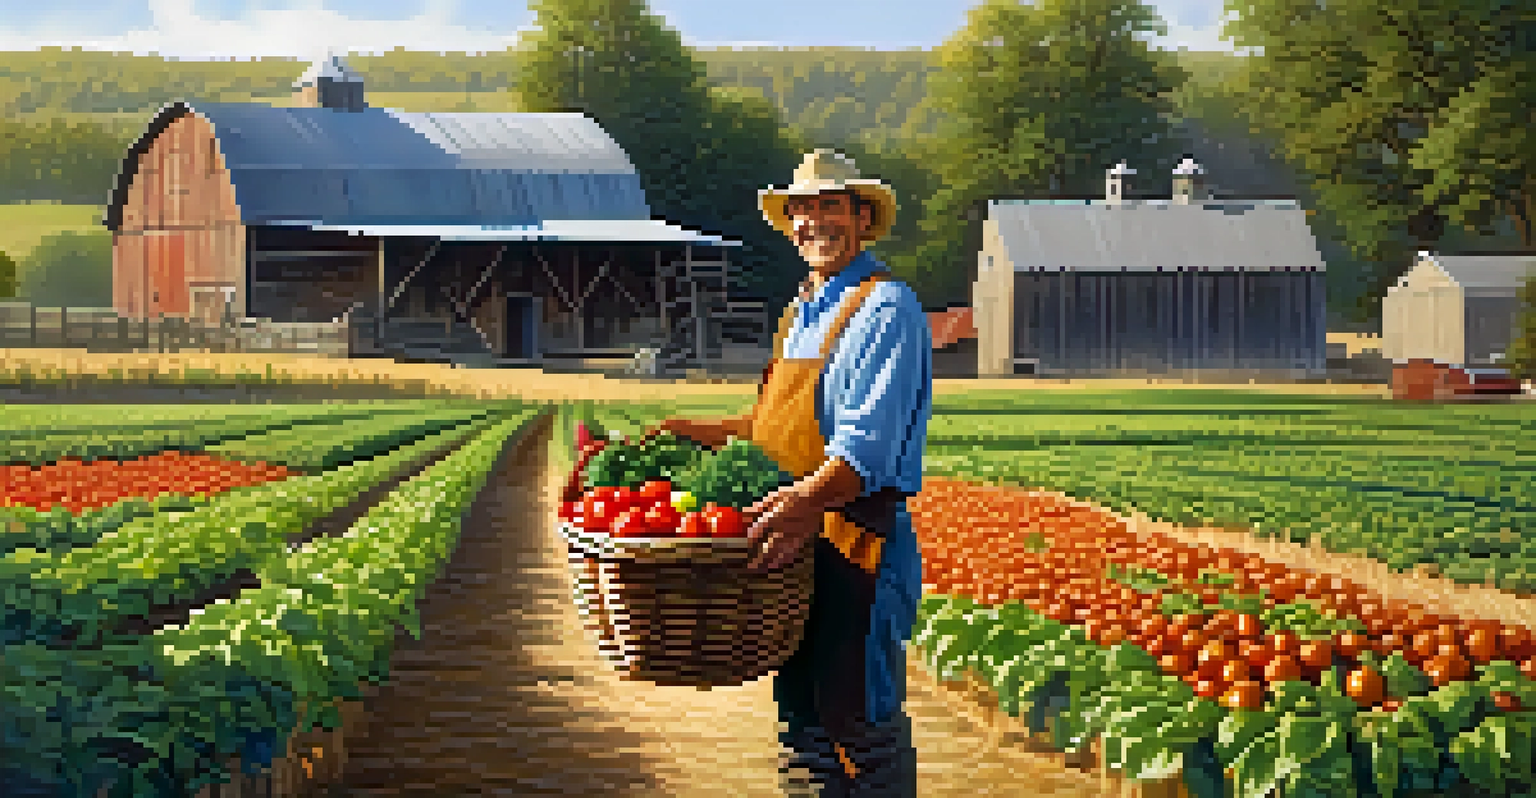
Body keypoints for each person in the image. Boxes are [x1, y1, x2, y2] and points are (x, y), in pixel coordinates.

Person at [648, 149, 931, 797]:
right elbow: (768, 430)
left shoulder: (883, 309)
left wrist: (804, 502)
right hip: (798, 543)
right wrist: (689, 433)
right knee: (802, 724)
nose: (813, 222)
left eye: (830, 205)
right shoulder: (801, 312)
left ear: (862, 217)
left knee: (860, 729)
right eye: (801, 209)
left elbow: (864, 451)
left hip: (858, 545)